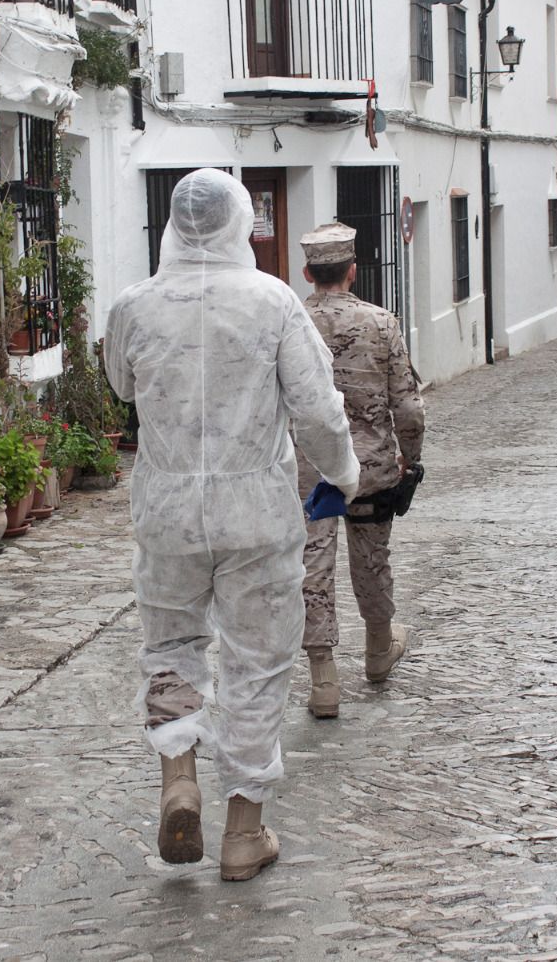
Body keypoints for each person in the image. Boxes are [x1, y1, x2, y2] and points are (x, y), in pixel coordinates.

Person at [104, 169, 359, 882]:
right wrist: (345, 472)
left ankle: (179, 774)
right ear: (240, 223)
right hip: (257, 512)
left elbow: (121, 385)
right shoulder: (272, 303)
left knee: (171, 646)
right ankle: (245, 832)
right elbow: (315, 407)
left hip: (167, 512)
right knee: (256, 661)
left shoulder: (135, 305)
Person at [293, 222, 424, 719]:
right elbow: (408, 407)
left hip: (310, 468)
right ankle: (376, 652)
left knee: (313, 567)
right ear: (352, 270)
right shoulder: (382, 323)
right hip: (370, 466)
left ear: (308, 272)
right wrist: (410, 455)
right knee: (373, 559)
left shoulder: (292, 322)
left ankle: (324, 681)